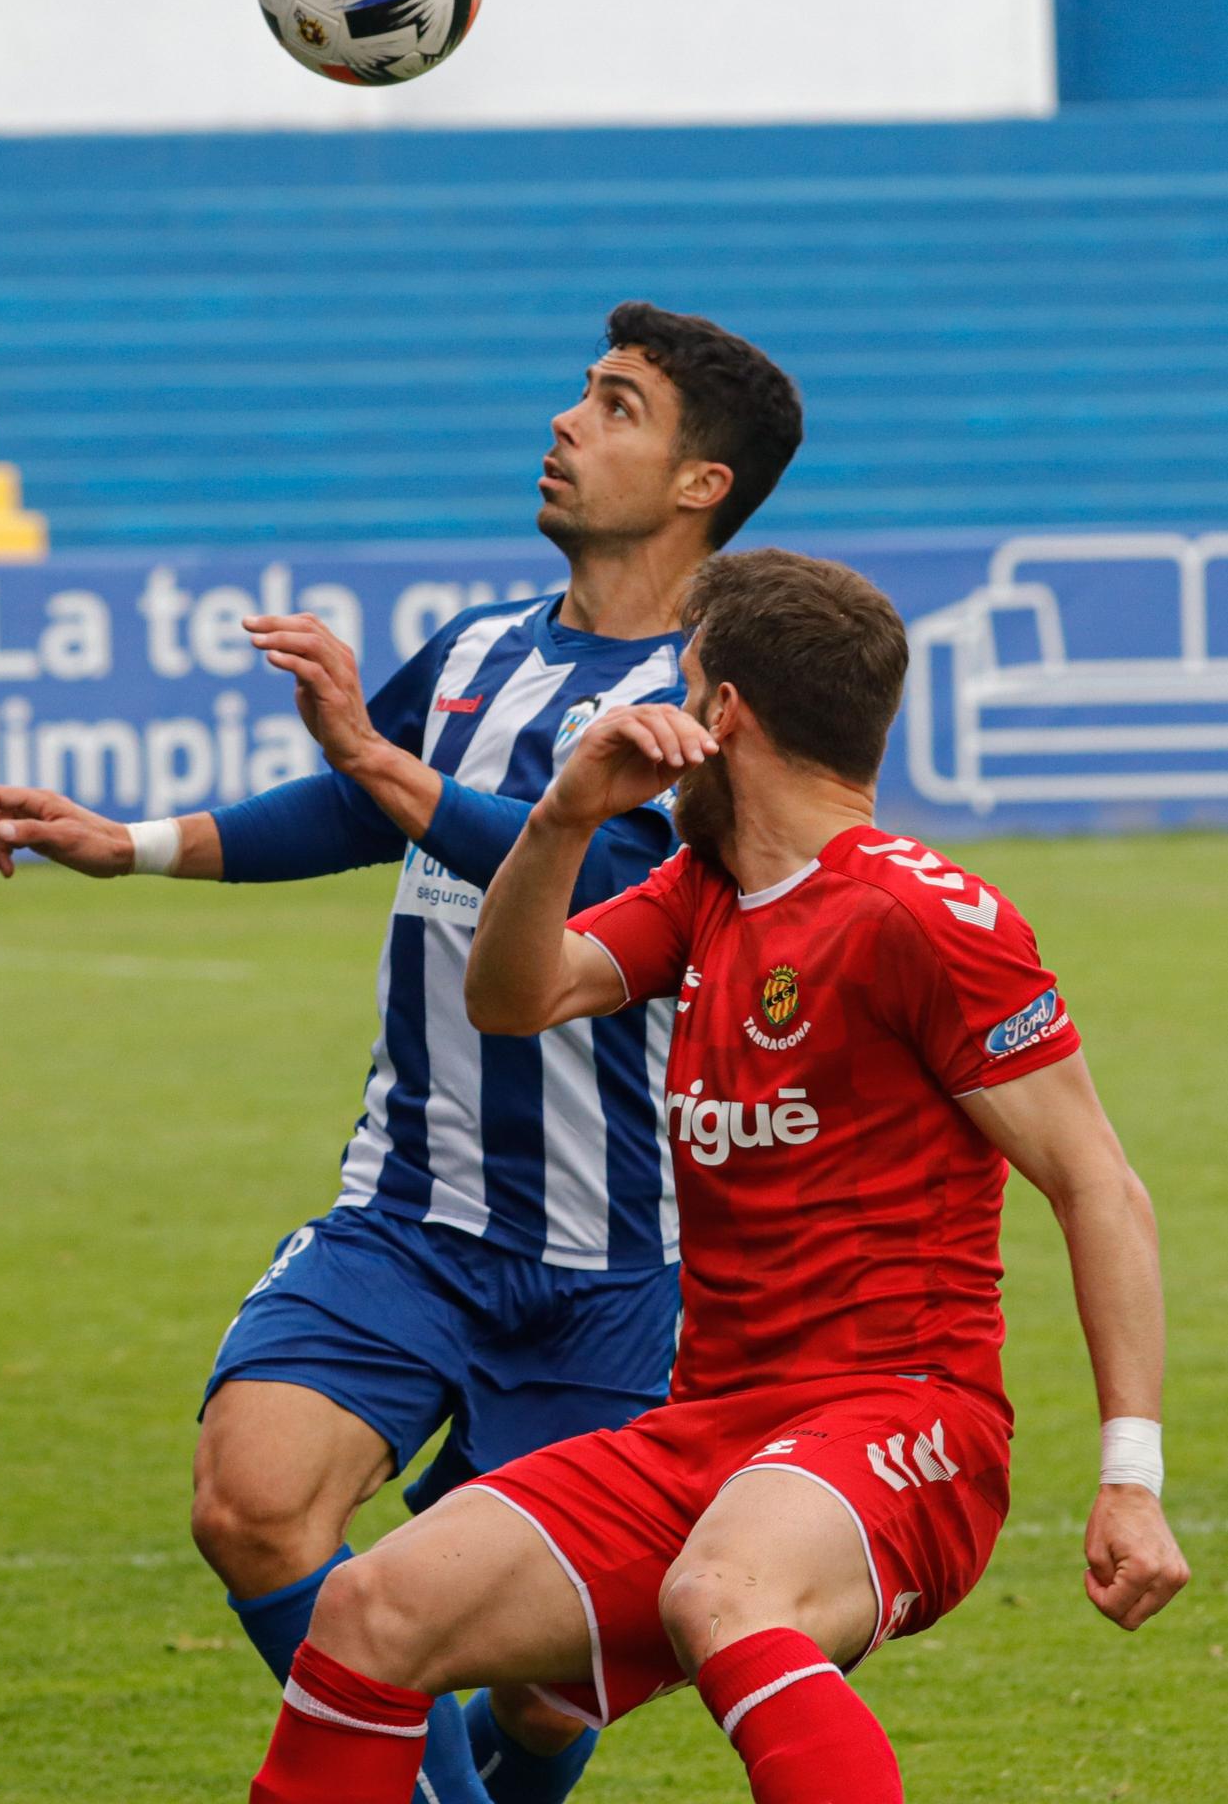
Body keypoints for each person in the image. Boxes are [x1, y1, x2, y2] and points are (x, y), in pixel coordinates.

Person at [0, 305, 804, 1804]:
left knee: (550, 1684)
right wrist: (132, 843)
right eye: (581, 394)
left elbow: (615, 888)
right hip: (412, 1213)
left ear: (699, 486)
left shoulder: (727, 706)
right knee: (254, 1504)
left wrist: (380, 762)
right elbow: (363, 812)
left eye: (613, 407)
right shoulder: (477, 649)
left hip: (631, 1264)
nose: (564, 421)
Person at [245, 547, 1190, 1804]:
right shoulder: (705, 889)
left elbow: (1098, 1183)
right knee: (372, 1607)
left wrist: (1131, 1477)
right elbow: (513, 994)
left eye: (681, 679)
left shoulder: (921, 914)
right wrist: (564, 812)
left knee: (722, 1590)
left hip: (906, 1418)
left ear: (722, 712)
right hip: (712, 1426)